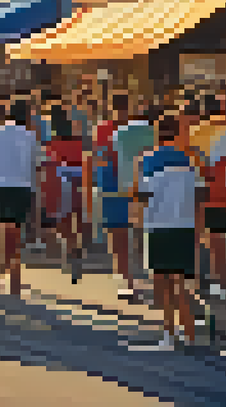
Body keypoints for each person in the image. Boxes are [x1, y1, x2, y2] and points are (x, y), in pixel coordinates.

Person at [129, 111, 201, 352]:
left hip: (158, 225)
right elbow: (199, 195)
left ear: (157, 134)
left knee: (162, 284)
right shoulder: (190, 160)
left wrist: (137, 221)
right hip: (184, 225)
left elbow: (140, 196)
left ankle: (169, 335)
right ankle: (189, 334)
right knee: (180, 282)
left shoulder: (146, 160)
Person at [0, 99, 40, 298]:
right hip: (23, 187)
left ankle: (3, 276)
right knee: (16, 233)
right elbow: (36, 165)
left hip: (1, 186)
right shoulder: (30, 136)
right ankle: (12, 279)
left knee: (5, 231)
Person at [86, 92, 135, 301]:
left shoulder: (102, 129)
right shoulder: (136, 129)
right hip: (128, 184)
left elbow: (98, 157)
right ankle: (127, 276)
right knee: (125, 234)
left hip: (112, 183)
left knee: (117, 233)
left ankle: (125, 277)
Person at [188, 93, 226, 301]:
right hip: (224, 190)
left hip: (199, 189)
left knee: (197, 237)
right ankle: (223, 284)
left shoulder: (195, 132)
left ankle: (199, 280)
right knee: (219, 238)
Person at [43, 102, 87, 283]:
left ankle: (71, 249)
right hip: (80, 182)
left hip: (62, 183)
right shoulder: (79, 143)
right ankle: (77, 248)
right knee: (79, 219)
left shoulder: (51, 145)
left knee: (64, 223)